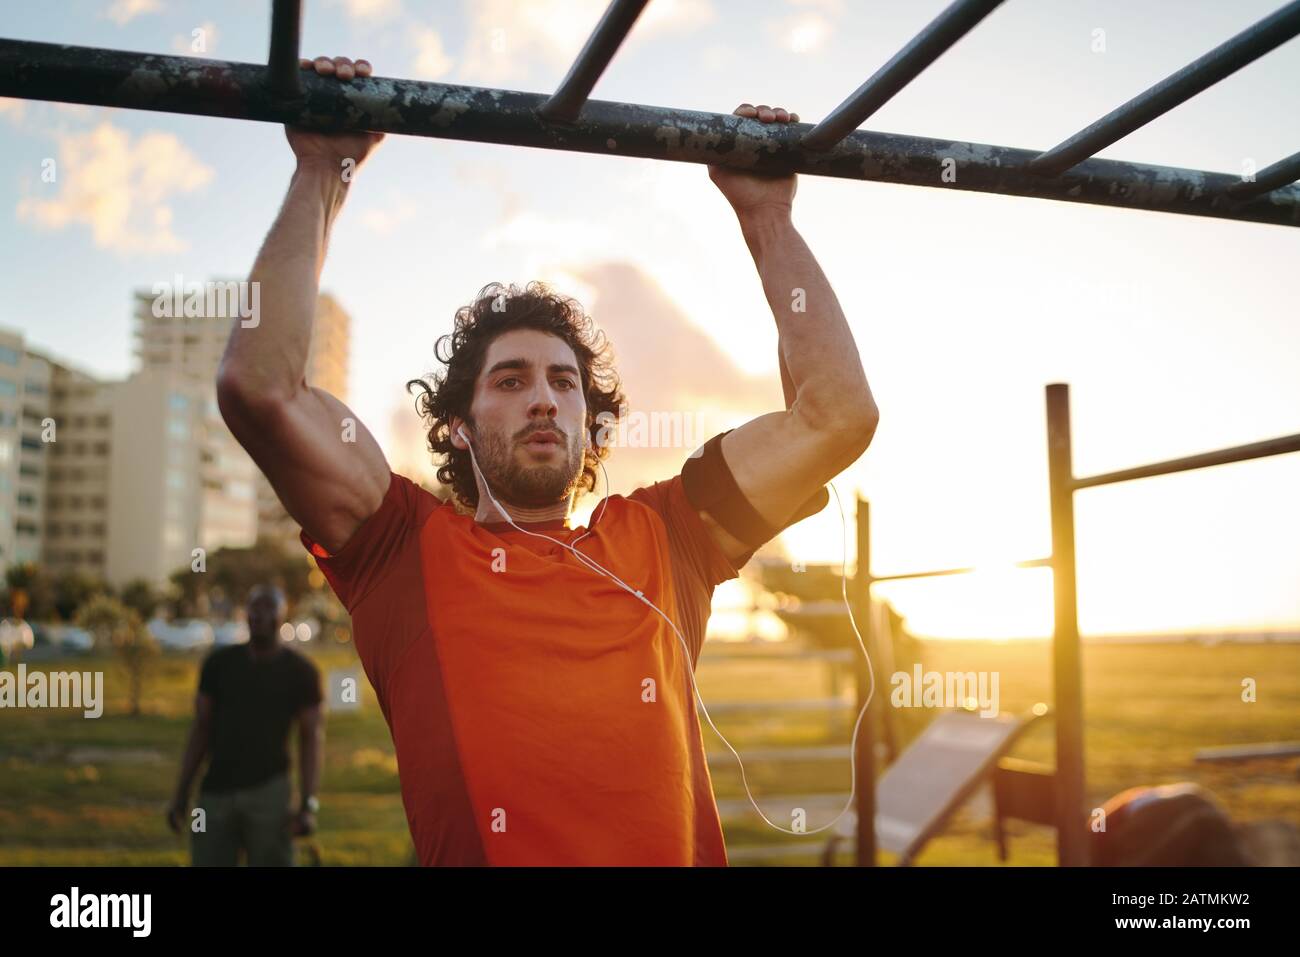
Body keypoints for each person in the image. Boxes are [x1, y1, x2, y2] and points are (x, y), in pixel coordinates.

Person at [216, 55, 879, 865]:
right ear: (458, 425)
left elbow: (836, 414)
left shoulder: (668, 538)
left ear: (589, 423)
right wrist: (325, 168)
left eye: (564, 382)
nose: (543, 397)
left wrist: (767, 219)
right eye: (511, 379)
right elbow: (261, 387)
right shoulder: (401, 547)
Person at [166, 585, 324, 866]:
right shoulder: (219, 664)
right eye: (254, 608)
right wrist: (181, 793)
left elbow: (310, 739)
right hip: (216, 792)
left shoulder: (301, 672)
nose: (260, 615)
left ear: (282, 616)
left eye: (268, 608)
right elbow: (201, 729)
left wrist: (308, 804)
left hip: (270, 794)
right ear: (245, 614)